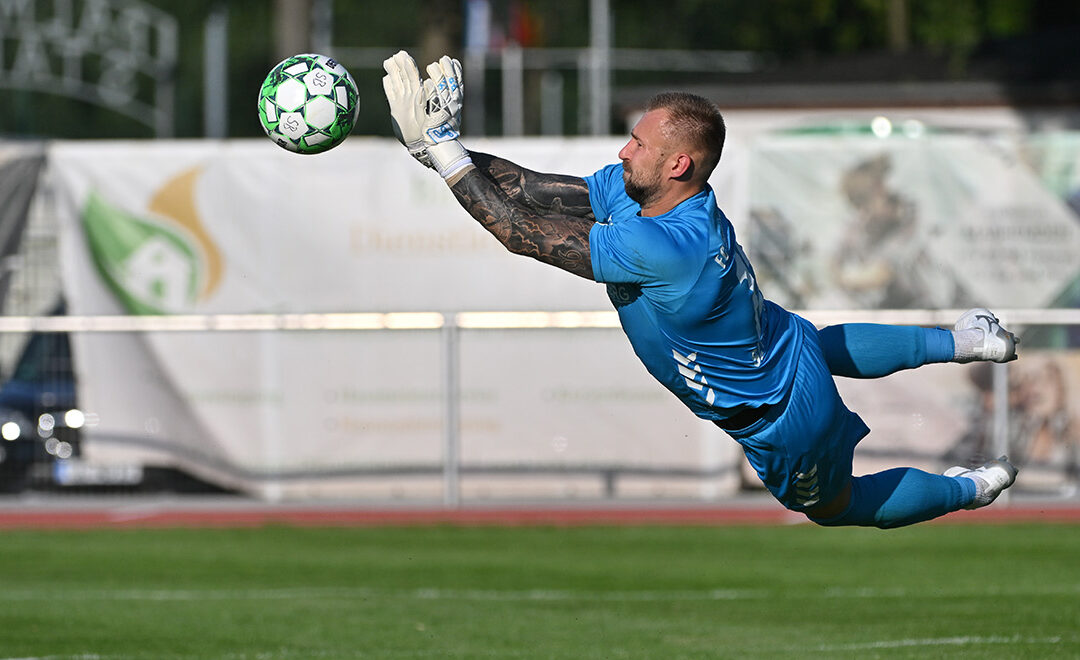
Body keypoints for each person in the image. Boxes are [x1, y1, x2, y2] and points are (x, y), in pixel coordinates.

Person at [381, 51, 1020, 528]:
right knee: (817, 344)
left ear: (678, 163)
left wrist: (444, 154)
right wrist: (439, 147)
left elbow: (520, 232)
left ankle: (971, 488)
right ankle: (966, 339)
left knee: (837, 506)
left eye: (638, 142)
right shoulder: (662, 200)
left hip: (781, 421)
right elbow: (532, 189)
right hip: (782, 343)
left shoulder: (660, 245)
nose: (624, 150)